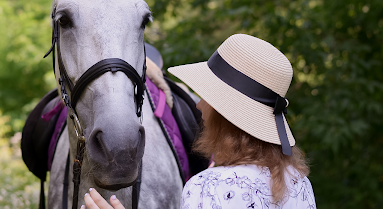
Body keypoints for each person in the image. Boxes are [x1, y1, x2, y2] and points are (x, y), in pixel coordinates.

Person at [82, 34, 316, 209]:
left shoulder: (207, 187)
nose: (199, 105)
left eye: (207, 96)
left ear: (225, 114)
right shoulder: (298, 181)